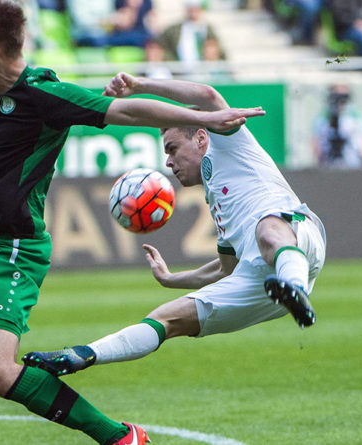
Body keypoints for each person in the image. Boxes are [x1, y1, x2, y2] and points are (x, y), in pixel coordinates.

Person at [0, 0, 264, 444]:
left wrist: (203, 118)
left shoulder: (44, 94)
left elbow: (126, 113)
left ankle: (119, 437)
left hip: (11, 250)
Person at [23, 72, 326, 384]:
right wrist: (171, 279)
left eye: (172, 149)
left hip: (297, 239)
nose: (168, 162)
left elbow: (208, 95)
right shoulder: (218, 204)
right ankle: (81, 355)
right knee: (165, 318)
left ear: (201, 137)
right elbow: (225, 270)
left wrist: (140, 86)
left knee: (267, 229)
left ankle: (295, 289)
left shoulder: (229, 146)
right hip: (263, 279)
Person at [312, 83, 362, 169]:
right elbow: (317, 149)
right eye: (336, 96)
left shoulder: (358, 118)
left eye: (343, 97)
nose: (339, 101)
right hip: (329, 168)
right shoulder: (322, 120)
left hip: (355, 168)